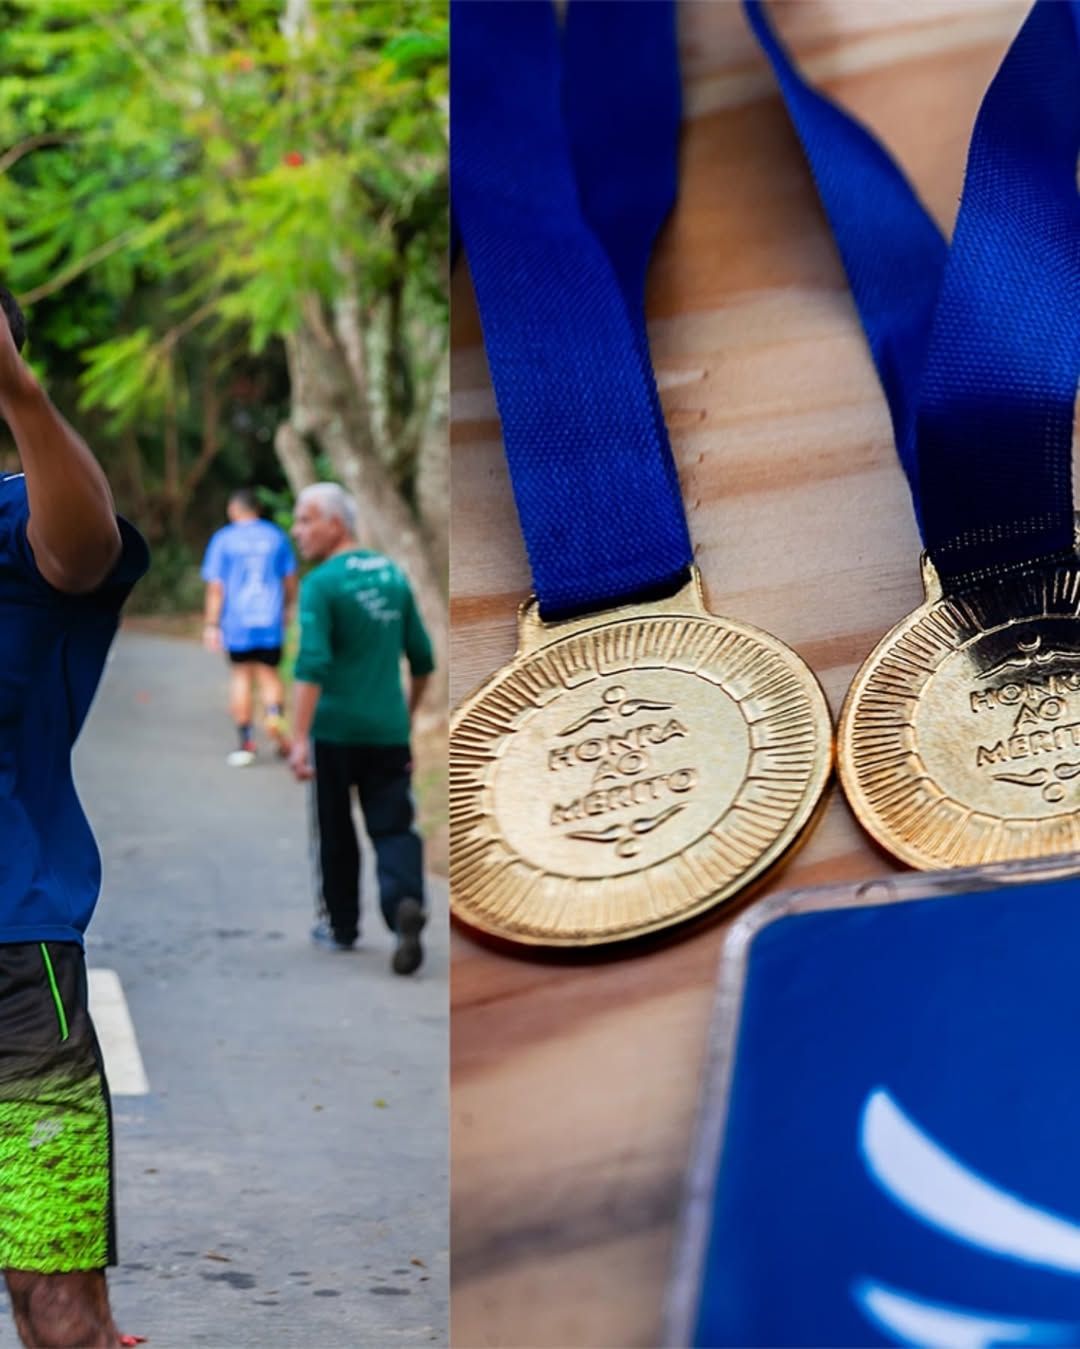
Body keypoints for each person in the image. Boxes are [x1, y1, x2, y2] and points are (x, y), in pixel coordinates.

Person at [0, 284, 149, 1347]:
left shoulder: (24, 521)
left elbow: (83, 549)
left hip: (15, 965)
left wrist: (19, 393)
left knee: (58, 1308)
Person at [288, 483, 434, 976]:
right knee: (393, 826)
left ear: (337, 522)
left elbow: (313, 663)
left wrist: (297, 738)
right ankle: (404, 904)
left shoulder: (321, 584)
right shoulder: (393, 575)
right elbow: (424, 660)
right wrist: (406, 719)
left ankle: (341, 926)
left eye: (306, 519)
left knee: (334, 828)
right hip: (387, 730)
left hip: (334, 731)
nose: (298, 530)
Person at [201, 488, 298, 767]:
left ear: (234, 510)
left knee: (242, 677)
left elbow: (216, 588)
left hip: (237, 623)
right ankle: (274, 721)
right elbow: (289, 580)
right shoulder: (276, 536)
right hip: (270, 620)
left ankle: (246, 742)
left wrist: (211, 624)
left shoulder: (224, 539)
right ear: (258, 508)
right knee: (270, 675)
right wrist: (288, 608)